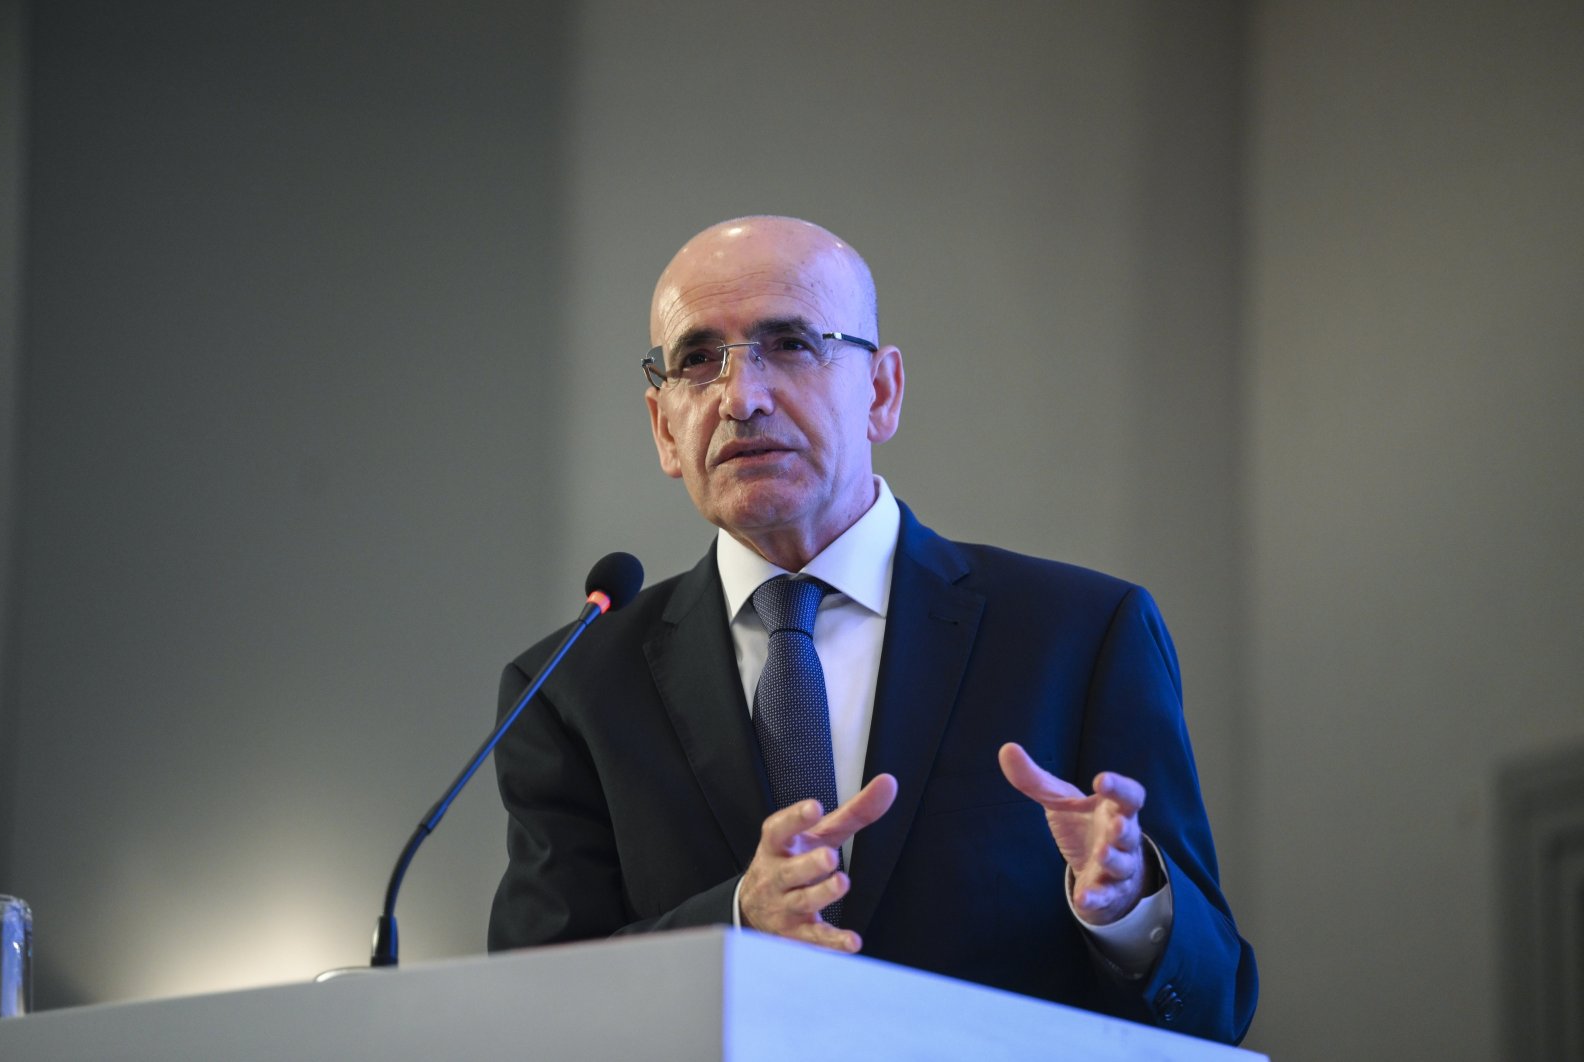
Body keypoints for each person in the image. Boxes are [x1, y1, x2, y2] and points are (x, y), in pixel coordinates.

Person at [488, 216, 1257, 1044]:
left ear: (882, 393)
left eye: (790, 343)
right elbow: (538, 1008)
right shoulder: (572, 689)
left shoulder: (1079, 637)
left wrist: (1132, 905)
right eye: (698, 360)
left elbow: (1215, 1011)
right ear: (663, 427)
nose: (740, 397)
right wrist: (738, 922)